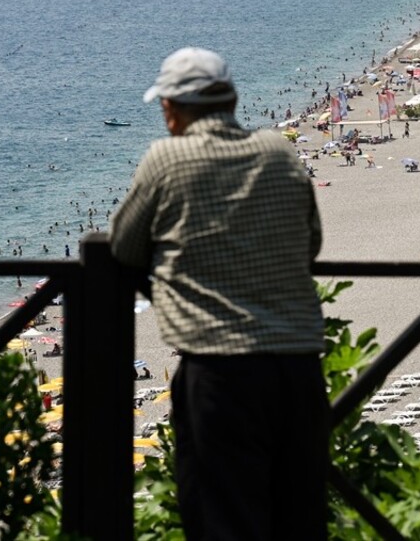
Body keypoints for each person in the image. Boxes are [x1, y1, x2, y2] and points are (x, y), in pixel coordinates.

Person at [110, 47, 328, 541]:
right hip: (297, 365)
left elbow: (123, 245)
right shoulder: (279, 150)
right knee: (300, 519)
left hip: (219, 368)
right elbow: (310, 241)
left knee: (223, 522)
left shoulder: (166, 158)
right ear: (231, 99)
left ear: (170, 109)